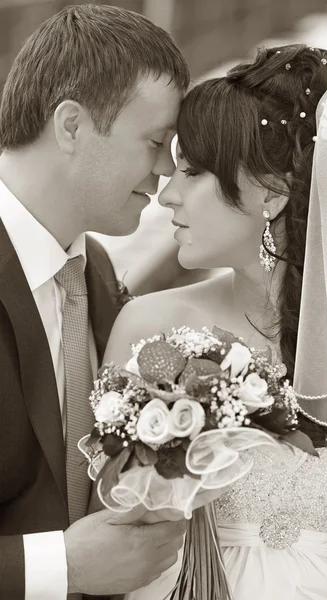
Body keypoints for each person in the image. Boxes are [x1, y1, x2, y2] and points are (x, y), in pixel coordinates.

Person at [105, 43, 327, 599]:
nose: (166, 194)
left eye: (192, 171)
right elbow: (112, 536)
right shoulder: (150, 324)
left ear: (271, 193)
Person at [0, 4, 190, 600]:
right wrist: (59, 568)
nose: (166, 170)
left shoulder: (98, 276)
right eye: (157, 141)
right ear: (72, 126)